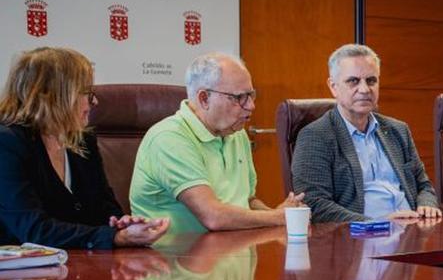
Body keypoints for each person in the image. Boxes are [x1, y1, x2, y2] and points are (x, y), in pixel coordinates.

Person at [0, 46, 168, 249]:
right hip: (20, 274)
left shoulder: (82, 138)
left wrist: (121, 225)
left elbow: (105, 207)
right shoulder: (7, 143)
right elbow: (34, 231)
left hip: (81, 265)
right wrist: (114, 237)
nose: (94, 101)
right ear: (53, 95)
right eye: (87, 93)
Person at [129, 52, 304, 232]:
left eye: (251, 95)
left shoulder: (236, 133)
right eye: (239, 97)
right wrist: (279, 217)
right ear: (204, 98)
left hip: (231, 248)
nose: (251, 106)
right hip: (176, 255)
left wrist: (280, 215)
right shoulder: (169, 138)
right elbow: (213, 216)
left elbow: (247, 201)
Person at [291, 44, 441, 223]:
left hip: (413, 232)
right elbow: (314, 204)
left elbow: (422, 184)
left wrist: (427, 204)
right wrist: (376, 223)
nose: (364, 89)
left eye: (371, 81)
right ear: (333, 87)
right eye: (353, 81)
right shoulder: (316, 136)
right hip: (358, 240)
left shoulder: (398, 130)